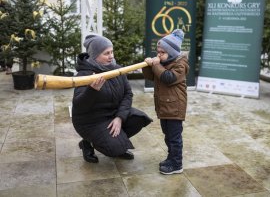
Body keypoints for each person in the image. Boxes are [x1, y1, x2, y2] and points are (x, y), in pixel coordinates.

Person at [72, 34, 153, 163]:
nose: (111, 56)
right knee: (115, 149)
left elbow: (128, 94)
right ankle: (88, 143)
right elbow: (79, 106)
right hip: (91, 121)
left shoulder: (117, 69)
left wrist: (119, 118)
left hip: (112, 114)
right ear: (95, 55)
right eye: (106, 53)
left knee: (139, 118)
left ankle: (116, 142)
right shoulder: (84, 74)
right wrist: (92, 90)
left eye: (112, 52)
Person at [142, 29, 189, 175]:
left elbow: (168, 78)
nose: (159, 54)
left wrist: (156, 65)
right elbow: (153, 76)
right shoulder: (164, 62)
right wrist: (147, 66)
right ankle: (171, 158)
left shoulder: (180, 65)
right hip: (165, 106)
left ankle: (177, 164)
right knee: (167, 135)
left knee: (174, 138)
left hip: (175, 108)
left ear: (172, 53)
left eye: (162, 52)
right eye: (158, 51)